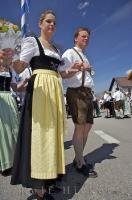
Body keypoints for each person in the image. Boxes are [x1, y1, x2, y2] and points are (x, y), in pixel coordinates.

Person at [10, 10, 78, 200]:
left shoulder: (56, 49)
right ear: (40, 23)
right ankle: (38, 187)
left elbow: (62, 74)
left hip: (55, 90)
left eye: (54, 23)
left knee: (53, 134)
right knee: (40, 134)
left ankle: (49, 179)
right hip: (40, 90)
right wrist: (11, 56)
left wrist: (74, 70)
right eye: (48, 21)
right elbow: (21, 66)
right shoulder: (32, 42)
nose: (52, 25)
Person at [59, 27, 97, 177]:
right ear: (76, 38)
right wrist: (77, 69)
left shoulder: (84, 56)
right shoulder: (69, 53)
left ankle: (78, 157)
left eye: (87, 37)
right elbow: (63, 74)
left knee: (88, 126)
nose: (86, 39)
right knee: (80, 127)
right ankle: (80, 162)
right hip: (76, 92)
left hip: (87, 93)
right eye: (83, 36)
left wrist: (87, 69)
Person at [0, 48, 19, 176]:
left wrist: (28, 83)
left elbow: (15, 87)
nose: (6, 57)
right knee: (3, 132)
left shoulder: (10, 71)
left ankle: (13, 160)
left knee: (14, 130)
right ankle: (4, 164)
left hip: (10, 100)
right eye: (3, 55)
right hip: (1, 100)